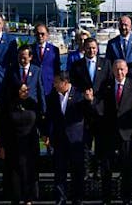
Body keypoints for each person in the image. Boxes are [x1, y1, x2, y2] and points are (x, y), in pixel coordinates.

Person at [96, 60, 132, 205]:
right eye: (117, 70)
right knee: (106, 168)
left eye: (122, 69)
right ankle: (106, 198)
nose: (119, 72)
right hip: (108, 132)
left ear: (127, 70)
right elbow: (100, 107)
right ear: (113, 71)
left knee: (127, 167)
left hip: (127, 132)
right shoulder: (106, 85)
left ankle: (126, 198)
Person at [45, 72, 93, 205]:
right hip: (59, 140)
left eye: (56, 82)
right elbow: (49, 117)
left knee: (77, 171)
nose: (54, 85)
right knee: (59, 171)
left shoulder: (79, 95)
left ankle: (77, 198)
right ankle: (61, 198)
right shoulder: (52, 97)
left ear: (65, 82)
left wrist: (89, 101)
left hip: (76, 140)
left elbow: (89, 115)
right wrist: (47, 134)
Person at [0, 83, 41, 205]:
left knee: (29, 172)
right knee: (15, 173)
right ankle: (15, 198)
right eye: (23, 90)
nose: (26, 92)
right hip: (13, 144)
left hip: (30, 144)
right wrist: (1, 146)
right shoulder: (9, 105)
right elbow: (2, 126)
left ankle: (29, 199)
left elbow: (39, 122)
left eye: (27, 90)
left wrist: (46, 135)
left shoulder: (33, 103)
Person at [31, 23, 62, 96]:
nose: (40, 36)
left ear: (47, 34)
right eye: (37, 34)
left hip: (49, 86)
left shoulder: (54, 50)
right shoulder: (30, 49)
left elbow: (57, 69)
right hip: (34, 85)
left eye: (42, 34)